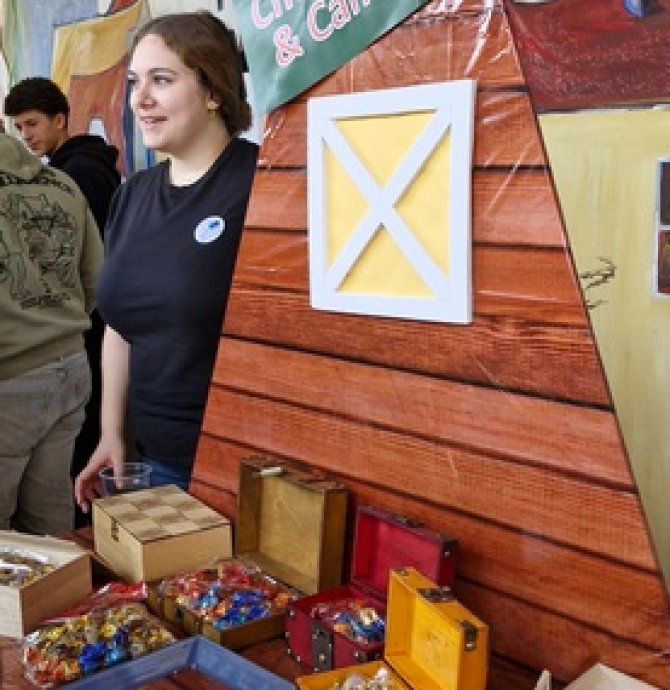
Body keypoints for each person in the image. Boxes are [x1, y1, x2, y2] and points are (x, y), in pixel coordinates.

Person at [74, 11, 258, 512]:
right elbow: (120, 324)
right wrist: (111, 434)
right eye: (135, 82)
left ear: (213, 90)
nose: (140, 99)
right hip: (150, 461)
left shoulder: (258, 184)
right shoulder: (132, 194)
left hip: (240, 469)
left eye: (161, 80)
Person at [4, 77, 121, 525]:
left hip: (12, 373)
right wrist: (58, 322)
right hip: (70, 362)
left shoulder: (77, 175)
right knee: (51, 518)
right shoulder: (63, 185)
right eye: (19, 126)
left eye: (32, 123)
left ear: (59, 119)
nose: (27, 135)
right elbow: (95, 278)